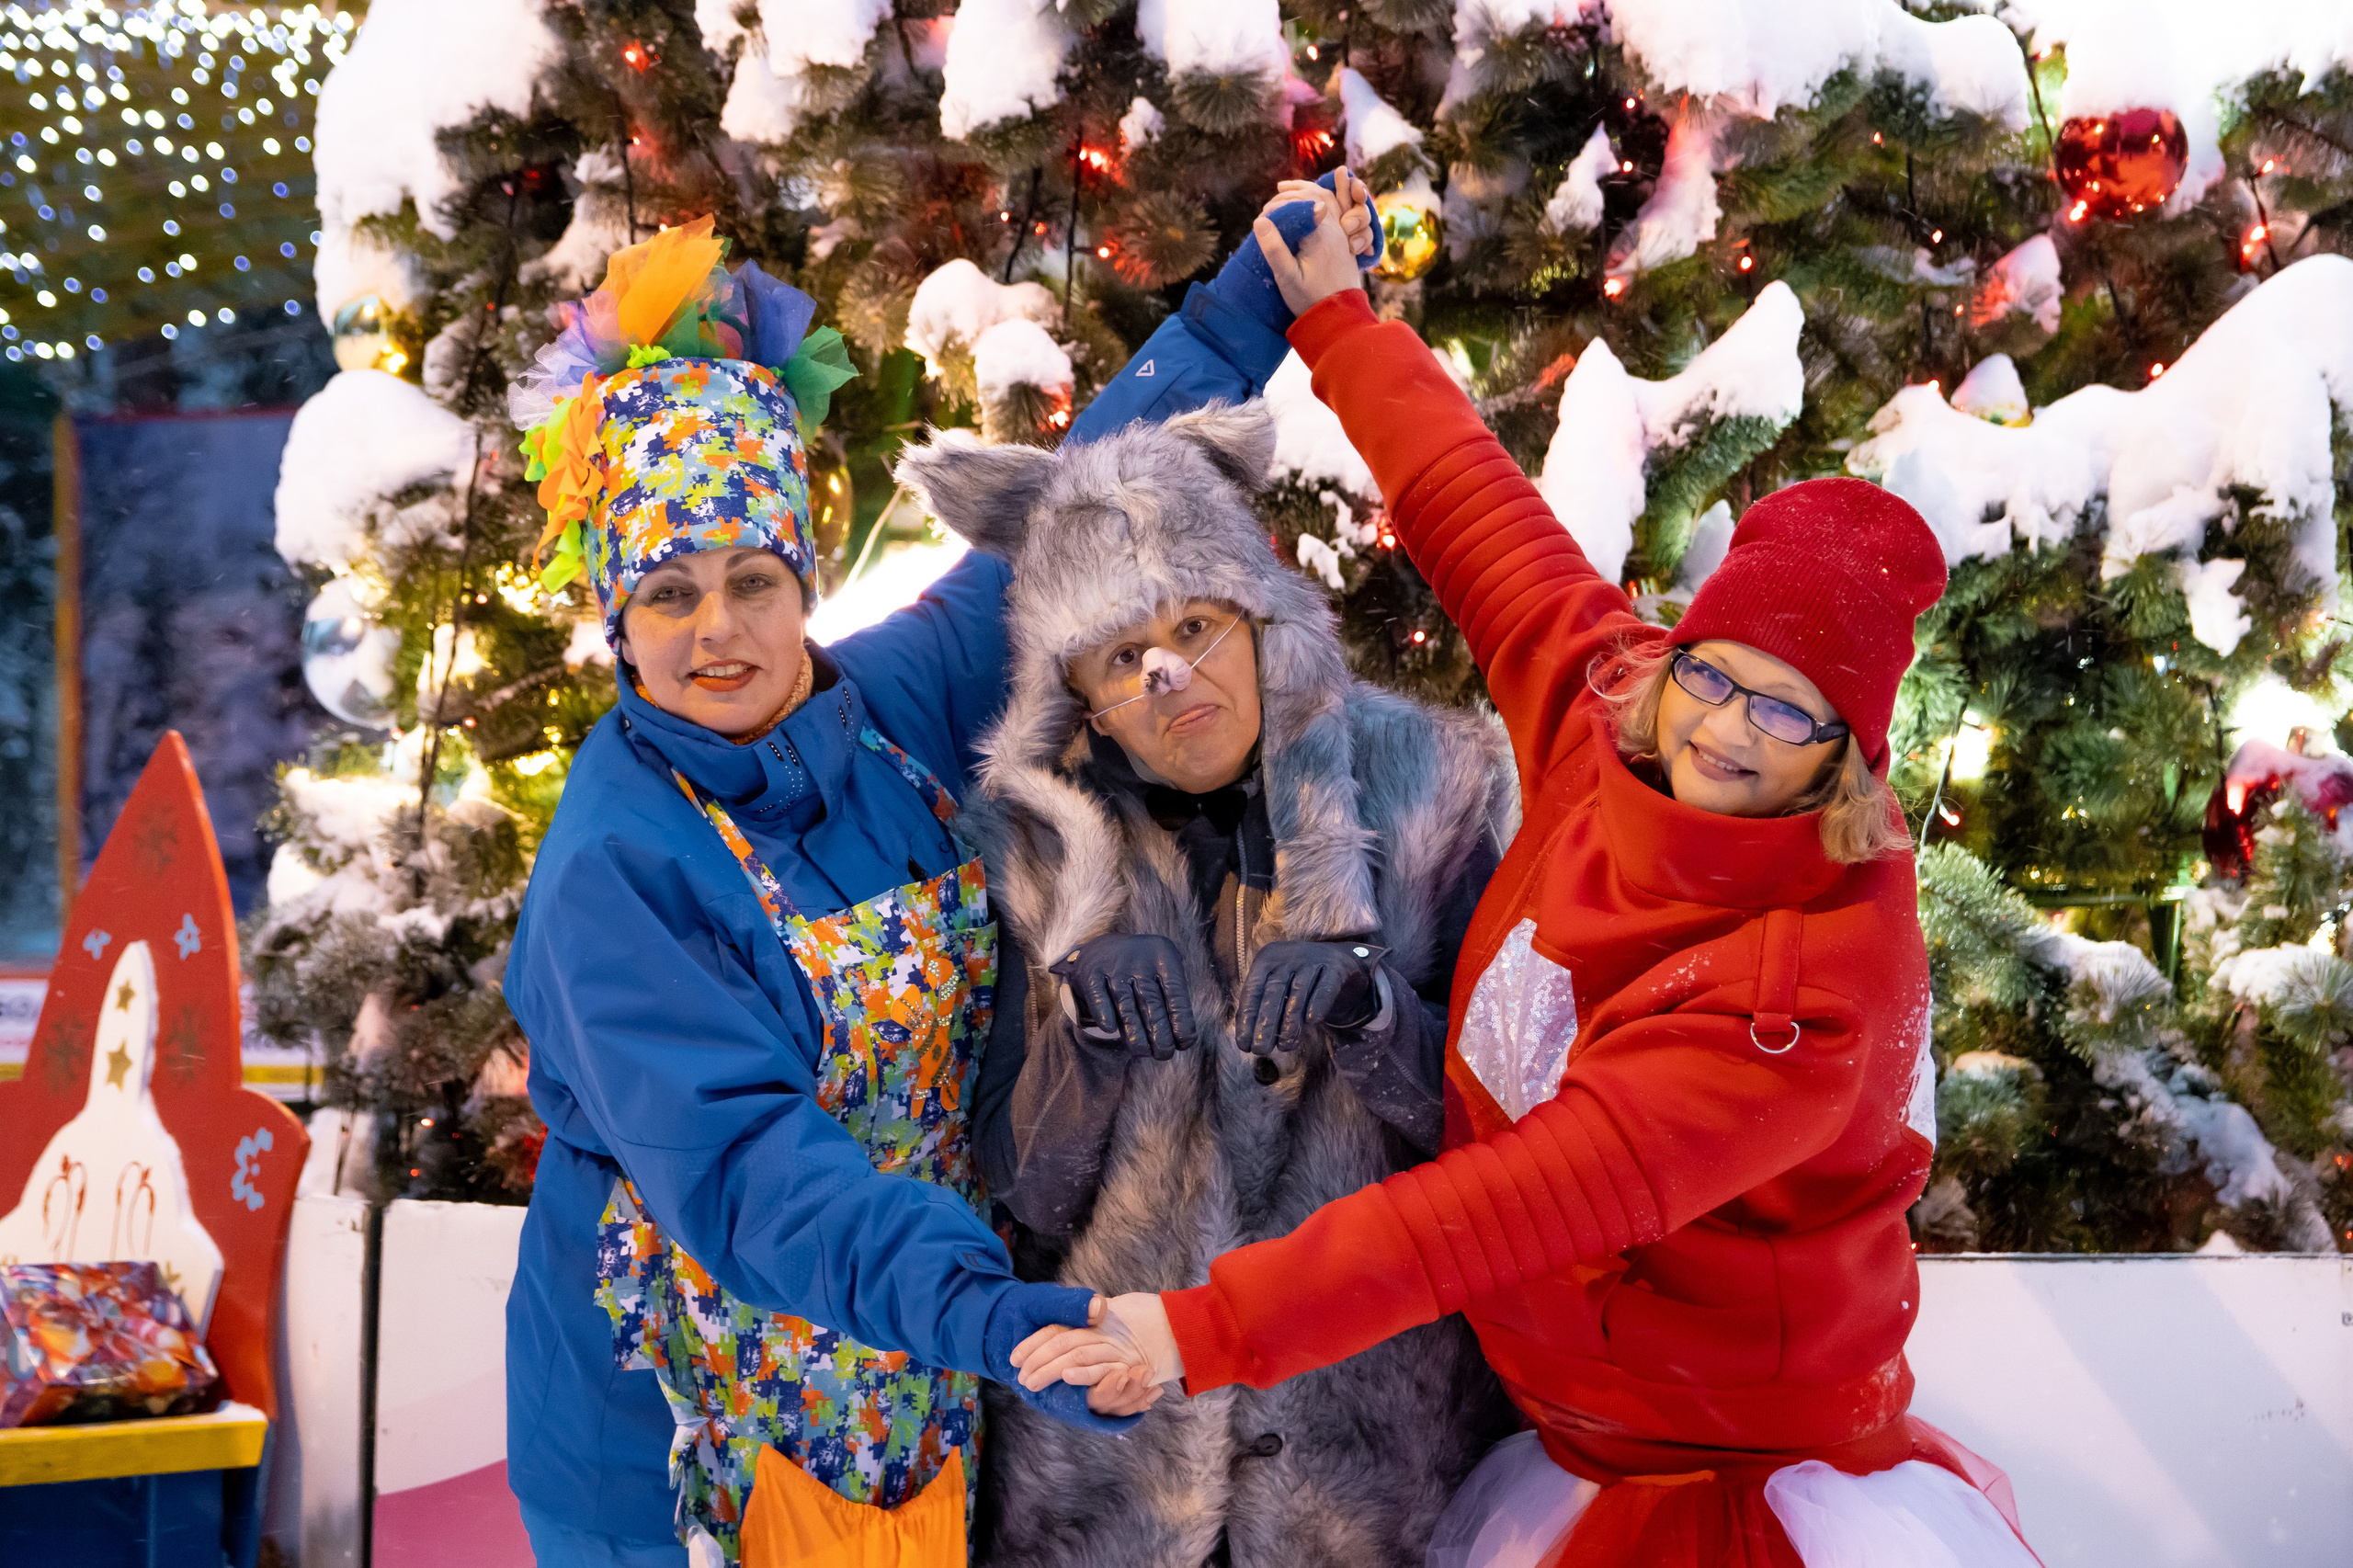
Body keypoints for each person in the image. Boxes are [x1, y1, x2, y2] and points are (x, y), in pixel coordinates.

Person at [1011, 201, 2047, 1566]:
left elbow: (1498, 1210)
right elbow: (1474, 511)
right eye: (1716, 675)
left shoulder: (1799, 999)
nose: (1728, 730)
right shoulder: (1613, 720)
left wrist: (1197, 1329)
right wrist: (1335, 320)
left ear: (1848, 759)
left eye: (1788, 715)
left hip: (1718, 1472)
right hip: (1575, 1425)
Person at [501, 190, 1382, 1567]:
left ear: (803, 577)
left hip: (904, 1363)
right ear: (618, 615)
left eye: (750, 578)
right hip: (696, 1423)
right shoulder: (616, 869)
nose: (718, 629)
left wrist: (1245, 309)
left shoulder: (884, 711)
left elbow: (1074, 501)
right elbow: (748, 1168)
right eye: (668, 593)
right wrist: (990, 1311)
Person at [899, 345, 1518, 1562]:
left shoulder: (1433, 798)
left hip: (1371, 1482)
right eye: (1121, 657)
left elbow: (1517, 1150)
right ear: (1075, 692)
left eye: (1194, 625)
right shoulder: (1028, 854)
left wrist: (1375, 1014)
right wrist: (1082, 1042)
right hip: (1107, 1487)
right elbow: (1008, 1208)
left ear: (1260, 619)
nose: (1168, 674)